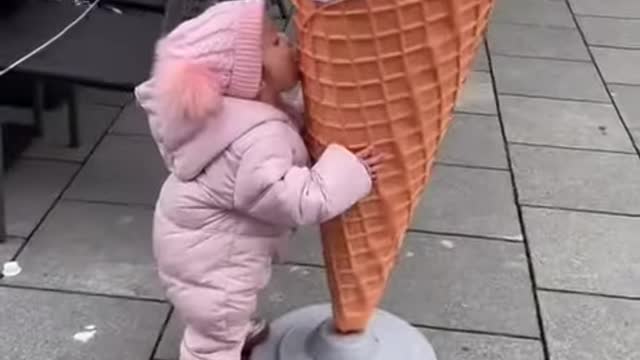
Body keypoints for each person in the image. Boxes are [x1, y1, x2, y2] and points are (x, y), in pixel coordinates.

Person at [135, 1, 384, 359]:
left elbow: (287, 136)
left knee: (220, 321)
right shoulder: (255, 139)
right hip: (215, 267)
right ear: (254, 76)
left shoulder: (246, 119)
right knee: (214, 340)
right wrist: (351, 171)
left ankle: (229, 332)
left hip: (202, 254)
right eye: (274, 42)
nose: (286, 40)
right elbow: (294, 199)